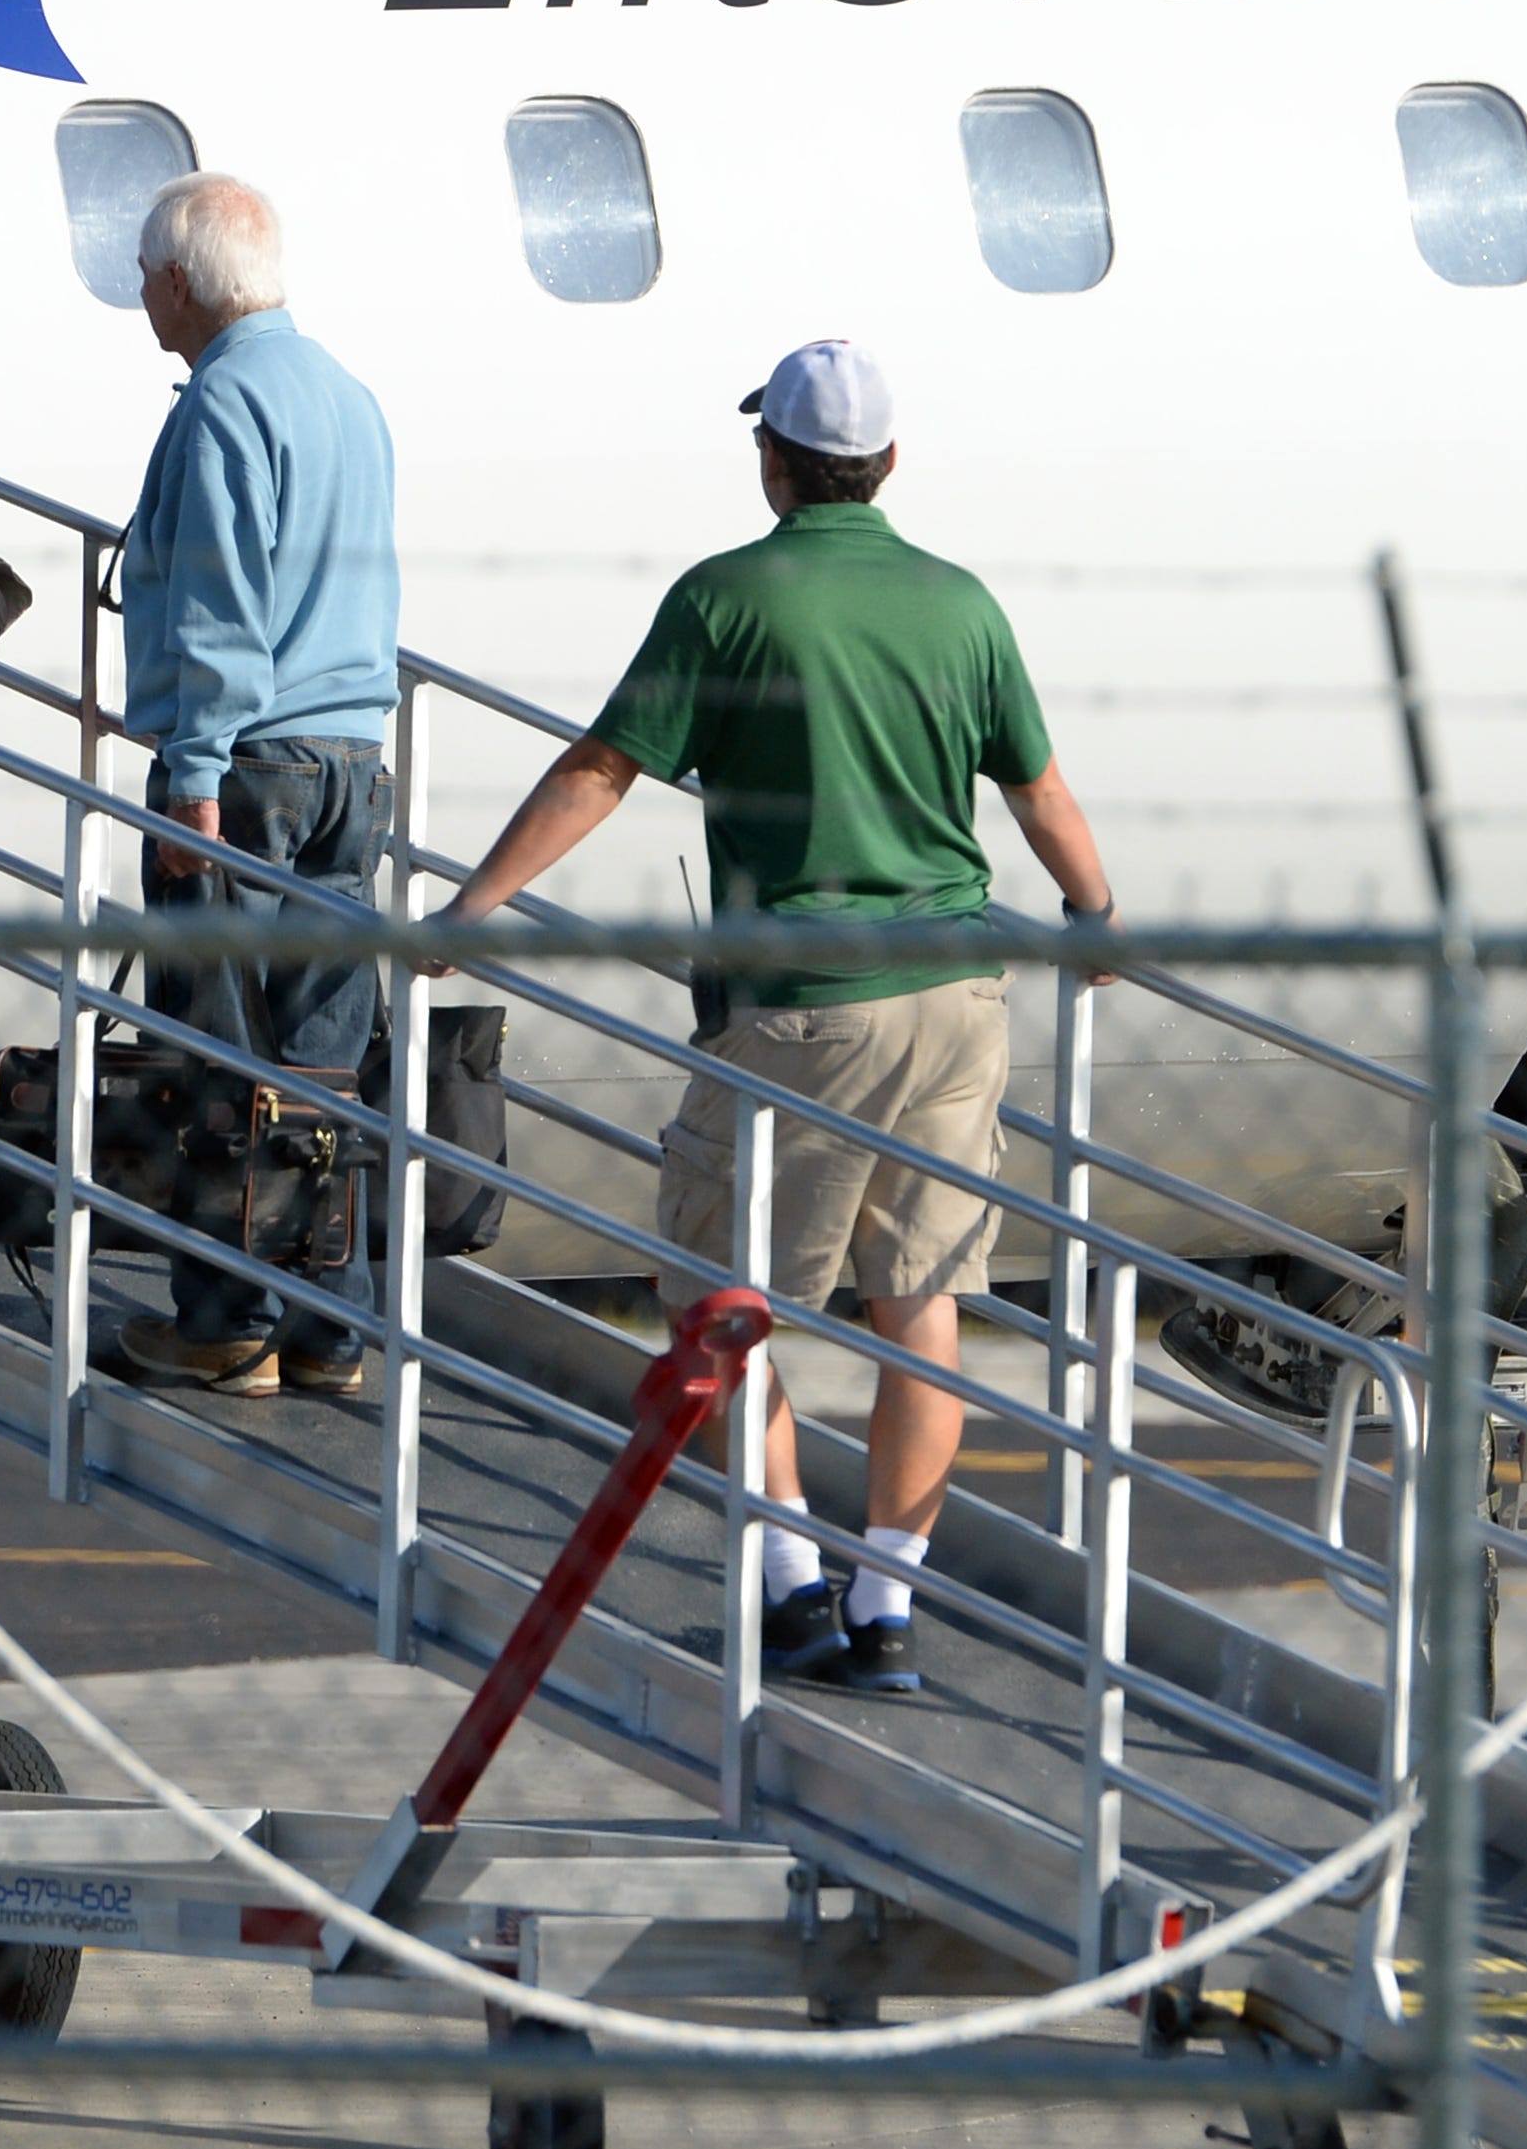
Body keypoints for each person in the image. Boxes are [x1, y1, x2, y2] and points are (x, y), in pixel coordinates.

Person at [437, 340, 1115, 1697]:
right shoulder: (960, 606)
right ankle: (889, 1612)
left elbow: (601, 771)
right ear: (891, 464)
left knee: (709, 1297)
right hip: (958, 997)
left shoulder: (727, 601)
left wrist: (476, 905)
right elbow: (1038, 792)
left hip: (802, 1006)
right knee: (922, 1305)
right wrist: (1097, 915)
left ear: (775, 463)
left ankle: (790, 1586)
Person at [103, 172, 402, 1397]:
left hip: (253, 767)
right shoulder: (348, 396)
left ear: (180, 281)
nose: (137, 295)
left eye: (141, 275)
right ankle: (333, 1328)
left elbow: (224, 609)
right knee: (323, 1064)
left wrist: (189, 776)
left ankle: (226, 1321)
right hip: (351, 761)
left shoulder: (223, 405)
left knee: (213, 1047)